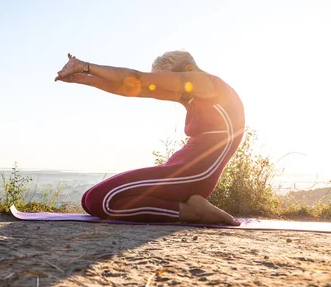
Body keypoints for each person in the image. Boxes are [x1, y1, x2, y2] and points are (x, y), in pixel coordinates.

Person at [55, 51, 245, 225]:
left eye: (166, 79)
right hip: (180, 166)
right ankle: (189, 207)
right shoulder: (190, 95)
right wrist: (83, 78)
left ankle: (192, 211)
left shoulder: (205, 83)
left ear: (188, 70)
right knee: (89, 199)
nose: (163, 86)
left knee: (102, 201)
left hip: (196, 173)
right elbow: (131, 87)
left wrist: (85, 65)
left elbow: (137, 78)